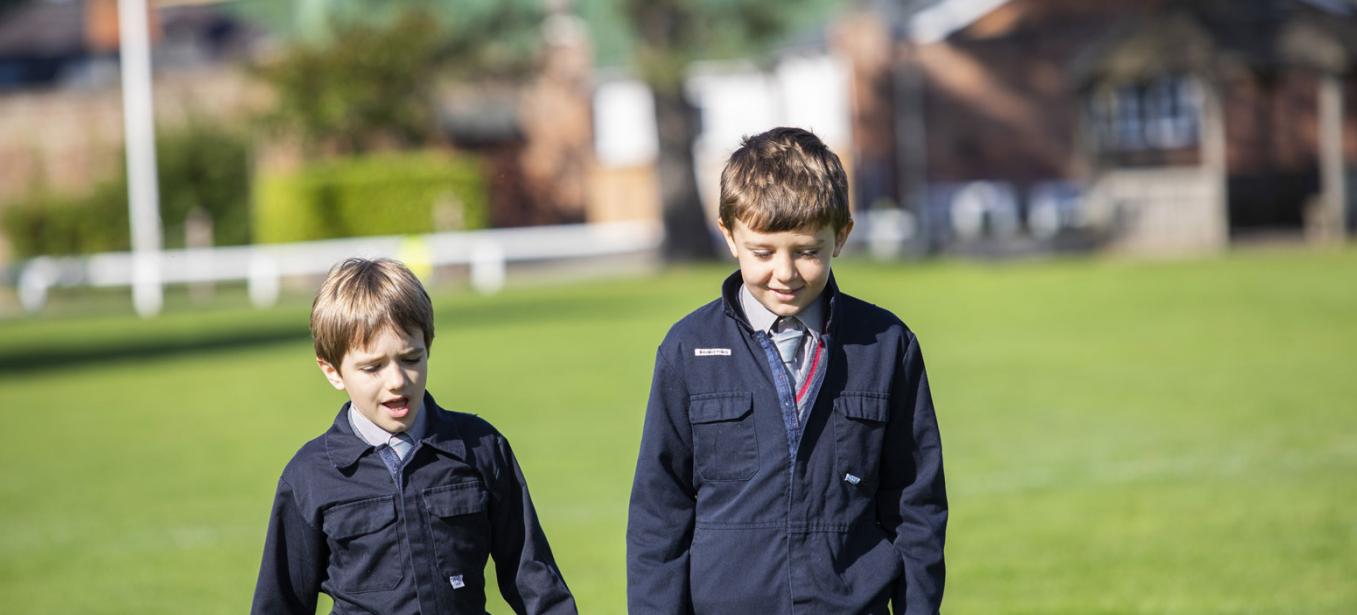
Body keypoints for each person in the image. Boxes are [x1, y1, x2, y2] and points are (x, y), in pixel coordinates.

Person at [626, 127, 948, 614]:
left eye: (806, 251)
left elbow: (916, 507)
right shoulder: (687, 349)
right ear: (729, 234)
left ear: (841, 236)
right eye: (762, 252)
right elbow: (659, 515)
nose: (785, 272)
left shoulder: (887, 346)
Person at [252, 258, 577, 615]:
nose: (396, 380)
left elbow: (535, 581)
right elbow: (280, 604)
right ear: (333, 371)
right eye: (372, 367)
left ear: (428, 347)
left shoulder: (481, 448)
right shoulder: (310, 476)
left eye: (410, 359)